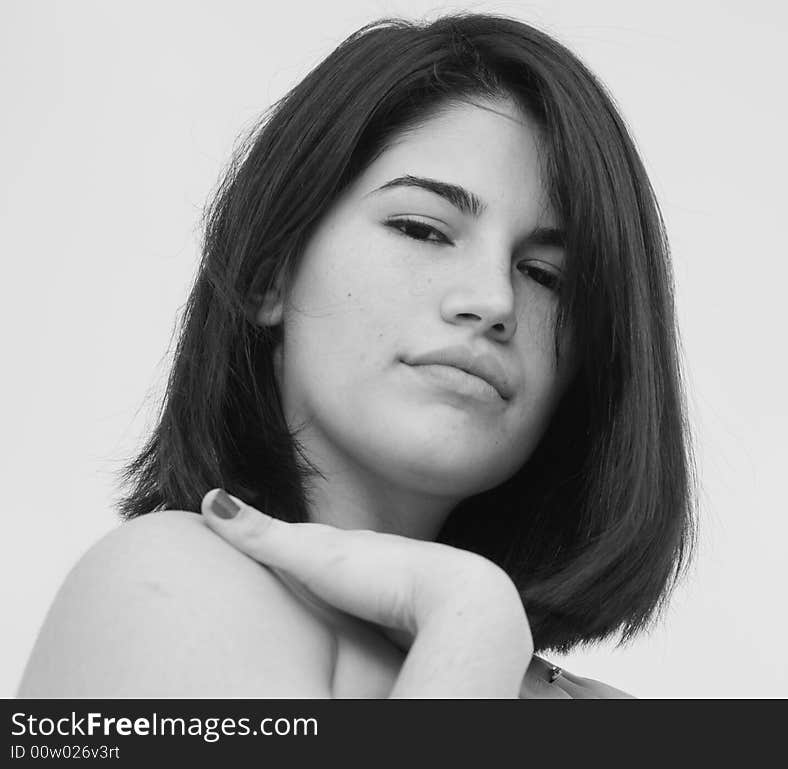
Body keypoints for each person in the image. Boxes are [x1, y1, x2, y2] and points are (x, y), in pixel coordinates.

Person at [17, 13, 696, 698]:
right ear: (270, 274)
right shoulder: (164, 585)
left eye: (547, 276)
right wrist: (473, 619)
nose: (494, 300)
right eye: (422, 229)